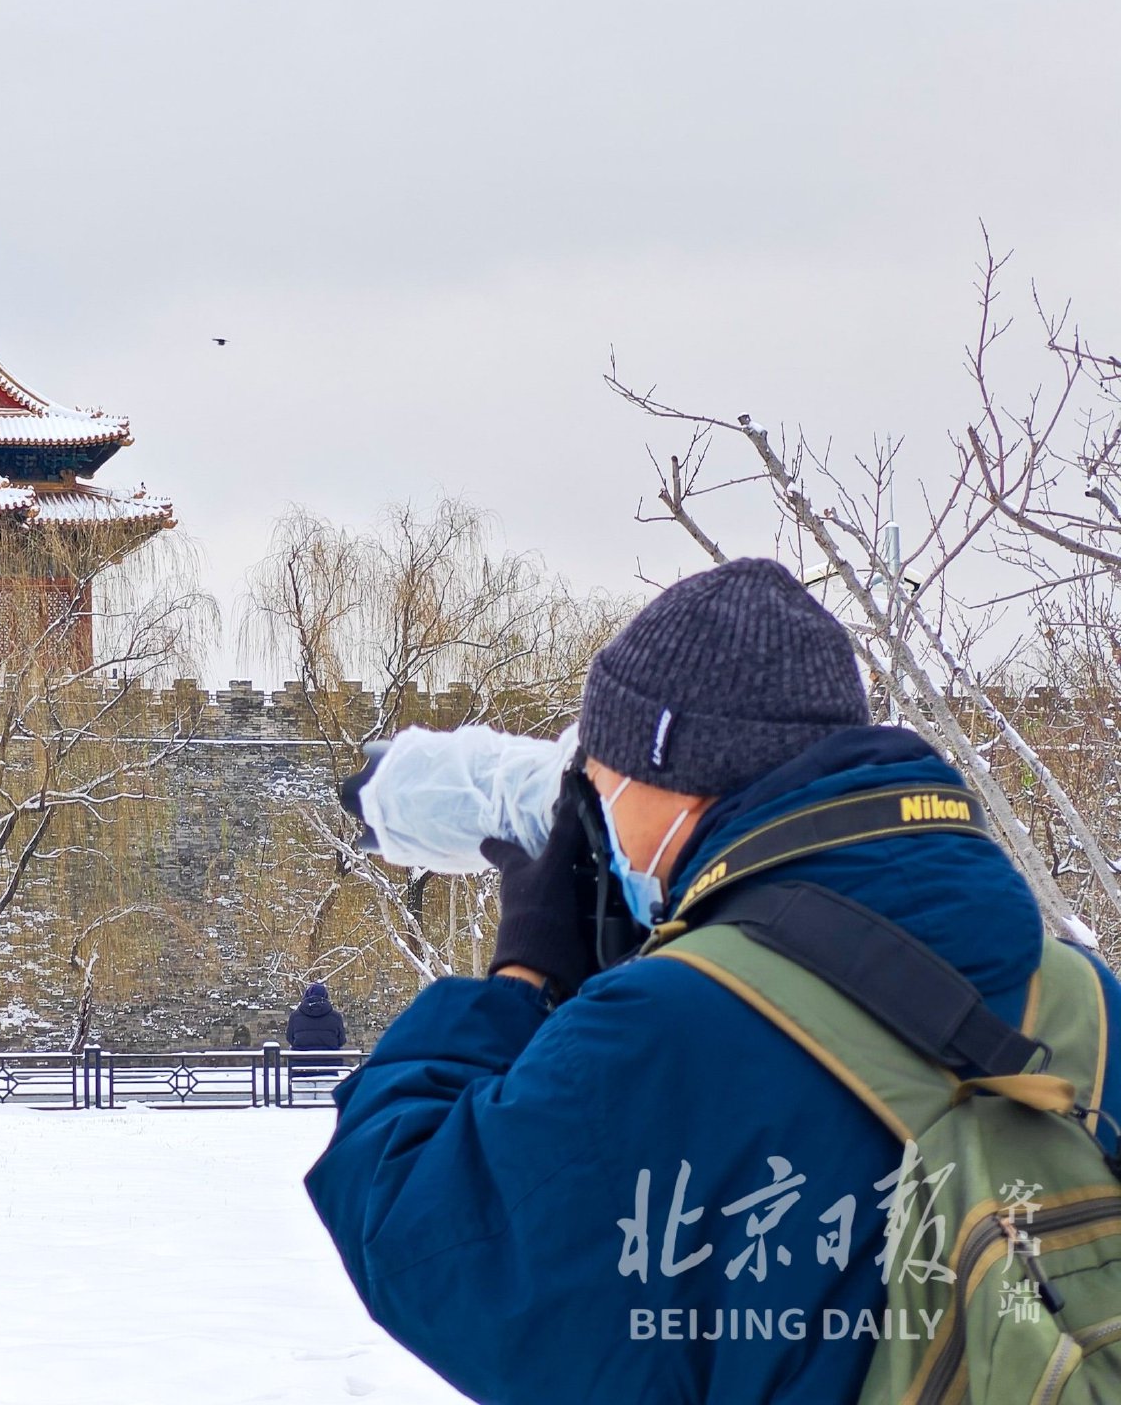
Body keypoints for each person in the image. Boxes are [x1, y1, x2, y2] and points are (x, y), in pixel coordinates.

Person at [306, 558, 1121, 1404]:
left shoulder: (671, 1025)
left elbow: (417, 1230)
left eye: (603, 780)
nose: (595, 810)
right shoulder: (1082, 993)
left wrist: (524, 972)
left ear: (673, 784)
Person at [287, 982, 347, 1052]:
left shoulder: (295, 1016)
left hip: (300, 1061)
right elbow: (341, 1040)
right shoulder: (336, 1017)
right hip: (330, 1061)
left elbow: (290, 1038)